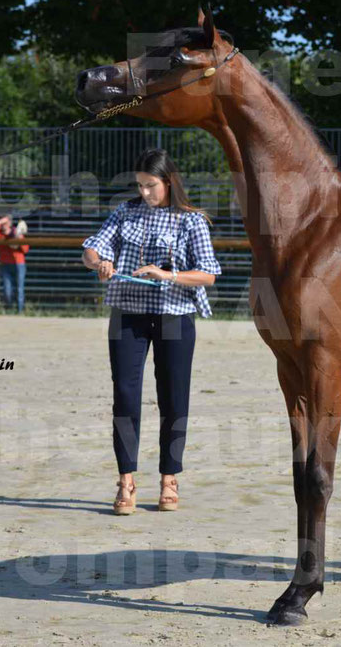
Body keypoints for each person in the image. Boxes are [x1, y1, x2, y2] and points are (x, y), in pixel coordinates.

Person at [81, 148, 221, 515]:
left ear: (169, 182)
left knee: (174, 400)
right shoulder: (125, 212)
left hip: (175, 317)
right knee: (125, 397)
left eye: (150, 185)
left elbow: (208, 273)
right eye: (139, 185)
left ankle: (169, 478)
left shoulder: (191, 220)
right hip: (128, 315)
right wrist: (100, 262)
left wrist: (168, 274)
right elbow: (91, 249)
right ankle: (126, 480)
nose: (144, 192)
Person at [0, 215, 30, 314]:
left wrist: (19, 240)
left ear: (10, 224)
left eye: (5, 223)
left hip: (19, 263)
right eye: (2, 223)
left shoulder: (17, 232)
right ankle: (9, 309)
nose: (4, 225)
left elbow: (25, 249)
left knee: (20, 289)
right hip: (5, 264)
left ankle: (20, 311)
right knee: (7, 290)